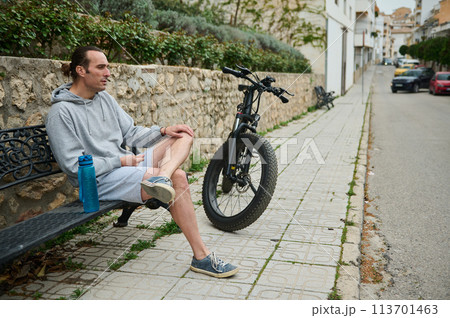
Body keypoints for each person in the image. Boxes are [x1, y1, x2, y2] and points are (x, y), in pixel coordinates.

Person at [45, 46, 238, 278]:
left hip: (126, 165)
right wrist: (120, 160)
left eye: (108, 66)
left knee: (182, 135)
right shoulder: (61, 113)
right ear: (81, 70)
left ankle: (161, 177)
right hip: (98, 180)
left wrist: (164, 130)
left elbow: (131, 133)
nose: (108, 72)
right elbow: (73, 165)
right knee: (179, 177)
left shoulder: (104, 98)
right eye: (101, 67)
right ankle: (202, 256)